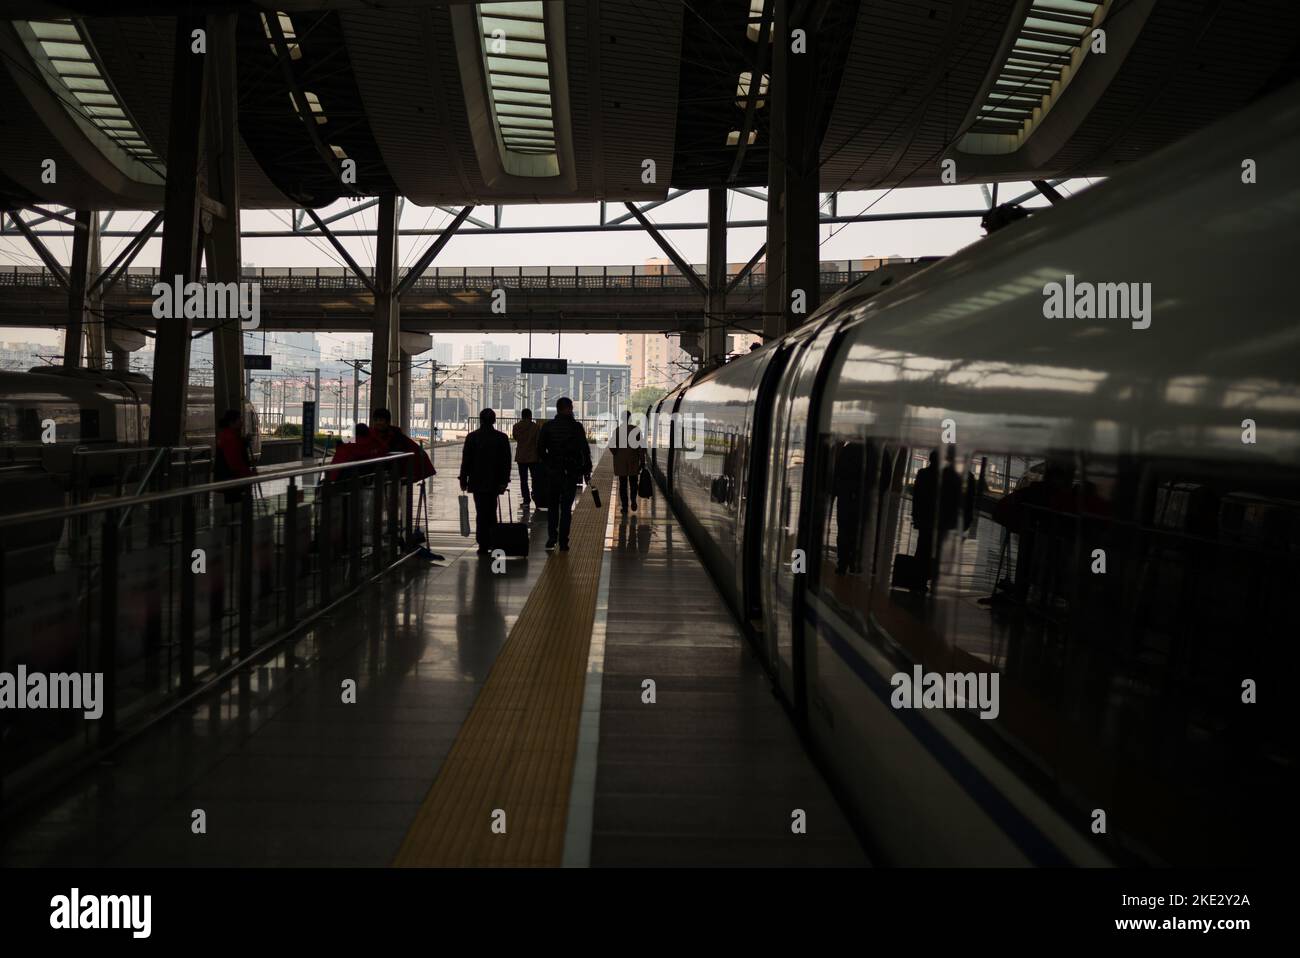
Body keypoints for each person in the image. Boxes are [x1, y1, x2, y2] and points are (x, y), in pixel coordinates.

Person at [537, 396, 591, 552]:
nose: (572, 410)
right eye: (571, 407)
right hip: (570, 472)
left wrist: (549, 464)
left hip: (553, 472)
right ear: (567, 409)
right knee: (566, 508)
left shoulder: (548, 426)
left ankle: (552, 538)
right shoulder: (576, 427)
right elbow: (584, 450)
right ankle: (564, 541)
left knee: (553, 507)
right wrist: (586, 469)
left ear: (558, 408)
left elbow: (540, 450)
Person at [458, 408, 512, 556]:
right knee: (491, 511)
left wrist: (463, 479)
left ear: (480, 420)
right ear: (494, 421)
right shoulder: (501, 438)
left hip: (477, 481)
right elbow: (506, 462)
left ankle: (483, 543)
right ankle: (493, 541)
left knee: (481, 512)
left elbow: (466, 461)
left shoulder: (472, 437)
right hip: (495, 482)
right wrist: (504, 481)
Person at [370, 407, 435, 481]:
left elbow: (414, 449)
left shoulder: (396, 435)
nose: (378, 423)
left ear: (387, 422)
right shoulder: (369, 434)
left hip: (390, 470)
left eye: (381, 420)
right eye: (376, 420)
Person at [608, 410, 646, 515]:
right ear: (630, 418)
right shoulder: (636, 430)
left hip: (620, 462)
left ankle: (625, 506)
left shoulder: (618, 430)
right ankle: (633, 500)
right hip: (633, 461)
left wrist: (616, 454)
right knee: (633, 483)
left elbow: (611, 446)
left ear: (621, 419)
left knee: (623, 484)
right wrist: (642, 461)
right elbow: (642, 448)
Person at [512, 408, 541, 508]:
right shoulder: (536, 427)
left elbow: (516, 438)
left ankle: (526, 500)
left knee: (523, 480)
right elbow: (538, 441)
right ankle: (536, 495)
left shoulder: (516, 426)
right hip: (533, 456)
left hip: (521, 457)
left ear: (522, 416)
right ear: (530, 415)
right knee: (535, 478)